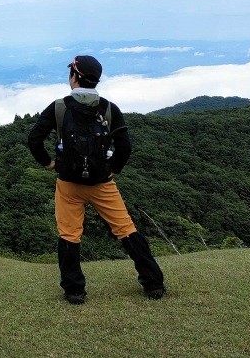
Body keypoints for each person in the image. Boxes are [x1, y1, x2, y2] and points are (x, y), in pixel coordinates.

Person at [28, 55, 165, 304]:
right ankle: (153, 284)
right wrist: (113, 169)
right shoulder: (109, 108)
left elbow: (34, 139)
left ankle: (75, 291)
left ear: (74, 77)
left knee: (69, 234)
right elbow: (124, 147)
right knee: (126, 229)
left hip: (68, 184)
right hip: (103, 184)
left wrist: (49, 163)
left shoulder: (59, 107)